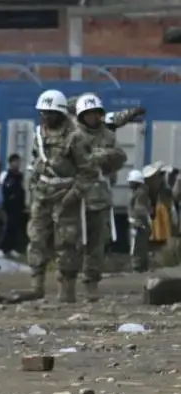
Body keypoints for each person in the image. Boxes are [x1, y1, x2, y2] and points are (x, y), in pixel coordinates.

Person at [24, 89, 89, 303]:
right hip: (42, 194)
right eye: (42, 113)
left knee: (67, 243)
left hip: (66, 195)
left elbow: (88, 171)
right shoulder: (38, 133)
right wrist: (32, 187)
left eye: (50, 113)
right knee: (36, 239)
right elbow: (35, 162)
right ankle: (36, 286)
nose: (45, 117)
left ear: (60, 113)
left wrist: (74, 193)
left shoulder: (75, 136)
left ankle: (67, 292)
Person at [72, 93, 130, 300]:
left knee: (97, 242)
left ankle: (91, 283)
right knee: (72, 241)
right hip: (75, 196)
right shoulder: (73, 135)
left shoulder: (108, 136)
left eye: (96, 113)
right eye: (88, 114)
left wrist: (105, 159)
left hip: (100, 196)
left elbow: (119, 158)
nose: (93, 117)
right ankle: (68, 282)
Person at [128, 167, 152, 276]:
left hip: (139, 222)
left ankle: (137, 268)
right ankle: (143, 267)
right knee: (142, 245)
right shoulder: (141, 191)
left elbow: (139, 209)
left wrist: (135, 220)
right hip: (142, 222)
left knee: (137, 246)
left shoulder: (140, 193)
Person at [0, 153, 26, 255]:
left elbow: (21, 190)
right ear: (11, 163)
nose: (18, 164)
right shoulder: (7, 176)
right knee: (7, 228)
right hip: (8, 207)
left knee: (15, 228)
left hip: (18, 207)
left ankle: (11, 248)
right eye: (16, 162)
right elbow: (5, 191)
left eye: (19, 162)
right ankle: (2, 248)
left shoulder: (19, 176)